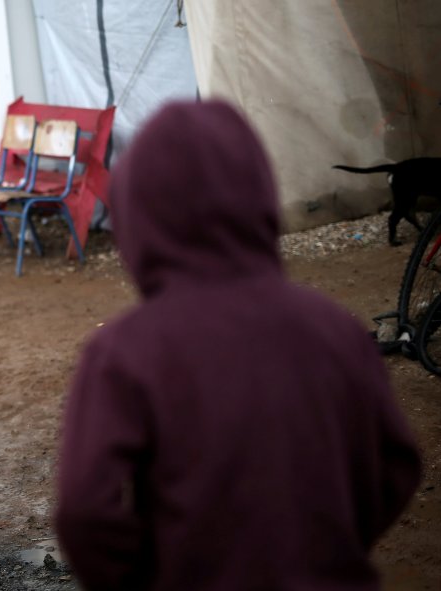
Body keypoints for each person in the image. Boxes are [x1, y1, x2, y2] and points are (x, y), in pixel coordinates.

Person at [55, 100, 421, 590]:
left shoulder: (125, 353)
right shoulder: (335, 329)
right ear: (259, 195)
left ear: (137, 216)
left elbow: (84, 511)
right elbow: (396, 463)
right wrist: (328, 546)